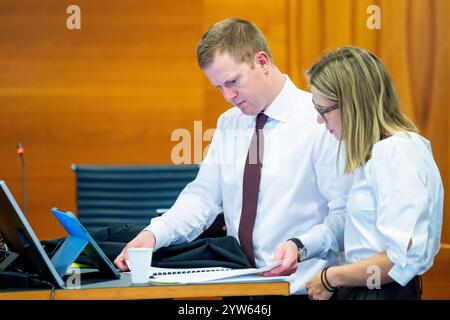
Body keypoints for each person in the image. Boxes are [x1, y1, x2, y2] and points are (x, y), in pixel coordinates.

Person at [114, 18, 352, 296]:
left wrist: (301, 246)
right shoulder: (230, 124)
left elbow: (344, 214)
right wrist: (154, 235)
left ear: (262, 62)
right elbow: (202, 198)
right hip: (241, 290)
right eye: (219, 87)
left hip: (304, 290)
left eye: (233, 81)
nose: (229, 95)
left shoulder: (319, 120)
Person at [304, 46, 444, 300]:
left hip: (381, 292)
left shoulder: (397, 152)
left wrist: (332, 277)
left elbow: (400, 260)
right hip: (366, 288)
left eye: (323, 111)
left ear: (353, 104)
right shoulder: (377, 154)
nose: (320, 122)